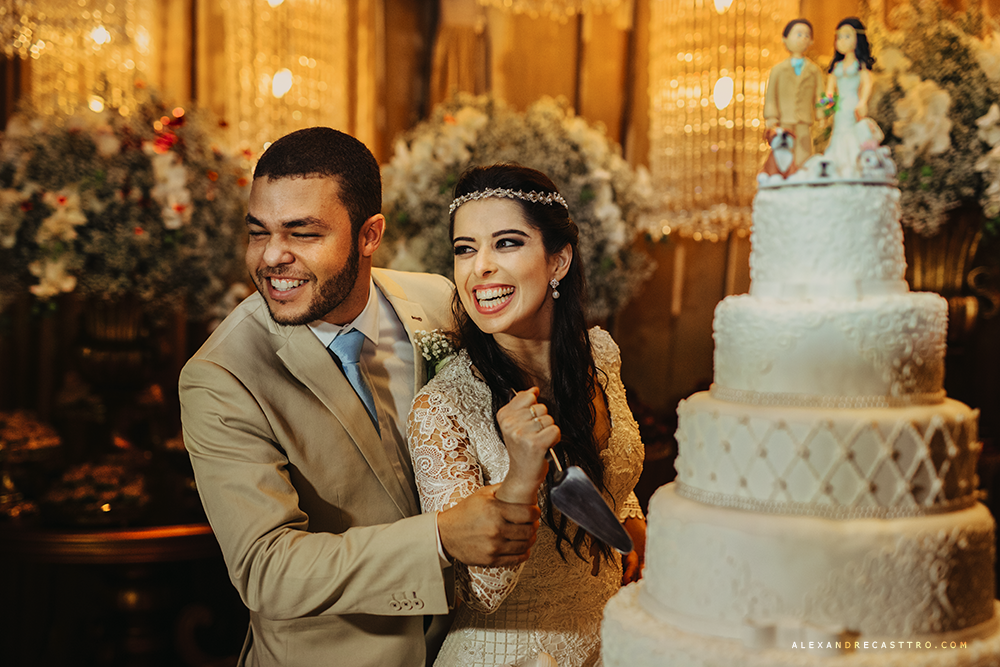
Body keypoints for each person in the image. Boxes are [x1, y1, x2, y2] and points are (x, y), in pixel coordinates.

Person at [179, 128, 541, 667]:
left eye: (302, 233)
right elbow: (266, 569)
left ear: (369, 235)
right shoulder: (220, 375)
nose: (272, 256)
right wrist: (440, 540)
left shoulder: (439, 300)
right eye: (259, 232)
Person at [406, 164, 647, 667]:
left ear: (558, 261)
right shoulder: (442, 407)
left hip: (614, 642)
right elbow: (480, 592)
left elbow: (615, 481)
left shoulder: (600, 355)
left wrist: (630, 523)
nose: (480, 268)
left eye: (507, 243)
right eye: (465, 249)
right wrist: (521, 473)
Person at [822, 17, 880, 176]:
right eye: (839, 37)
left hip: (853, 104)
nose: (842, 41)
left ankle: (853, 166)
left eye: (847, 36)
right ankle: (838, 165)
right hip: (840, 107)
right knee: (838, 132)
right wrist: (825, 110)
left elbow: (868, 83)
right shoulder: (836, 67)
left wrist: (863, 101)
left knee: (851, 133)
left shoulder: (859, 65)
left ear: (857, 39)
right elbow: (829, 91)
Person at [763, 18, 825, 167]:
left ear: (811, 41)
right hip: (784, 120)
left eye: (806, 35)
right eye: (798, 34)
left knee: (804, 152)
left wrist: (822, 114)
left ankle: (802, 177)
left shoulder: (814, 70)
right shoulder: (778, 70)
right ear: (785, 39)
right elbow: (771, 96)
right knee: (783, 151)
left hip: (804, 120)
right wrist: (771, 116)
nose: (803, 38)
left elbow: (821, 95)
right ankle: (784, 176)